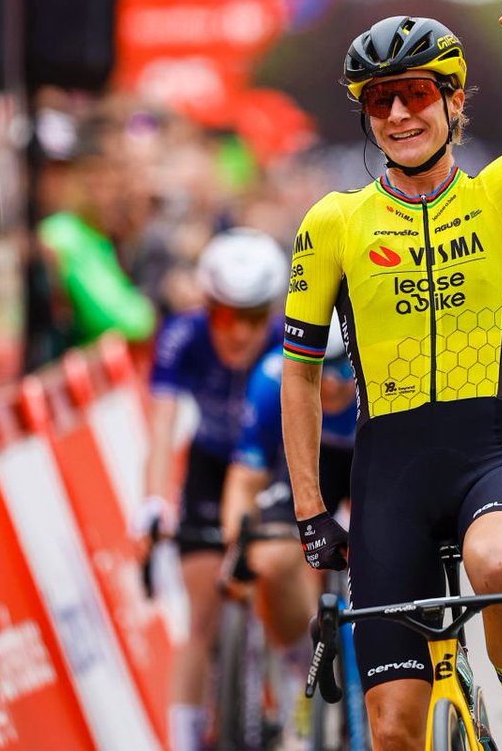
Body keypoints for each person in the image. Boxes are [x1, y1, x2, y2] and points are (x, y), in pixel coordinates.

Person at [279, 0, 502, 751]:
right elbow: (299, 371)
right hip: (388, 478)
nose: (398, 115)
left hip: (488, 456)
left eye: (413, 94)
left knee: (499, 564)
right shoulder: (334, 221)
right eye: (378, 102)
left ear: (453, 101)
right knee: (396, 731)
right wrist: (309, 511)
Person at [134, 229, 289, 751]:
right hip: (210, 463)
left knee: (279, 575)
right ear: (207, 307)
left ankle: (289, 697)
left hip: (272, 464)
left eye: (253, 318)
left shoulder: (292, 337)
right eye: (226, 316)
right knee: (201, 611)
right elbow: (160, 431)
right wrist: (154, 502)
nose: (239, 333)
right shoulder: (181, 336)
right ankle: (181, 740)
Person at [218, 313, 356, 739]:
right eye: (319, 368)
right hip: (303, 469)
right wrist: (236, 549)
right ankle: (303, 666)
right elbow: (244, 478)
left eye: (341, 370)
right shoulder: (270, 379)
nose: (330, 383)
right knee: (272, 557)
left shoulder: (389, 373)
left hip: (366, 463)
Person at [37, 118, 157, 348]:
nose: (113, 196)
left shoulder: (99, 237)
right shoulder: (64, 235)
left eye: (116, 184)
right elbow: (121, 320)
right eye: (103, 182)